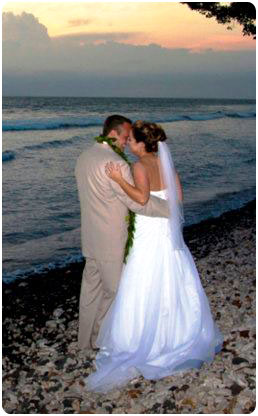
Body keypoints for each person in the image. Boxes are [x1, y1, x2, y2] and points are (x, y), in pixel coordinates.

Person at [86, 121, 223, 392]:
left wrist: (118, 180)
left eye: (132, 140)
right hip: (166, 232)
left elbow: (141, 197)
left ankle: (138, 340)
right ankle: (178, 333)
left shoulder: (139, 166)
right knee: (171, 276)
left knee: (143, 277)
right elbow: (178, 201)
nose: (129, 144)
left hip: (149, 231)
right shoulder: (167, 165)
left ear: (140, 143)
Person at [75, 115, 169, 350]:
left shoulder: (83, 157)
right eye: (126, 137)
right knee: (115, 291)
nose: (127, 142)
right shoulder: (115, 164)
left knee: (90, 293)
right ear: (114, 133)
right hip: (111, 241)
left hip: (90, 238)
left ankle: (83, 341)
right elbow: (136, 202)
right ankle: (99, 339)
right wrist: (169, 209)